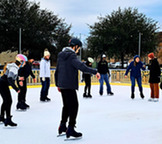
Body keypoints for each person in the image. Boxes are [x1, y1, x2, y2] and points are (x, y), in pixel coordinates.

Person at [55, 38, 100, 139]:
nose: (78, 50)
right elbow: (81, 66)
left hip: (62, 84)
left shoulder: (61, 55)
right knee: (74, 106)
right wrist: (94, 71)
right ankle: (70, 128)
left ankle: (62, 126)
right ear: (75, 46)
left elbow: (57, 70)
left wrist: (58, 84)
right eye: (78, 48)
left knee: (66, 106)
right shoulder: (71, 56)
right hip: (69, 84)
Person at [0, 54, 27, 126]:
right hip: (3, 84)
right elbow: (9, 79)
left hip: (2, 83)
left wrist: (18, 79)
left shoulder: (14, 67)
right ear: (21, 62)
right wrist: (16, 88)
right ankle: (8, 119)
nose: (25, 63)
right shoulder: (14, 68)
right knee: (8, 101)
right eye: (24, 62)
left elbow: (11, 77)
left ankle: (2, 117)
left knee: (6, 101)